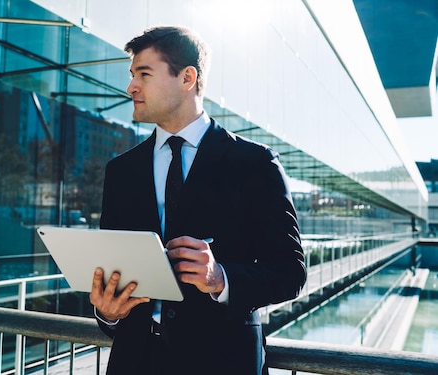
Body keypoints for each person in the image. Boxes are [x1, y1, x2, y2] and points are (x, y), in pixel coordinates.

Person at [89, 25, 306, 375]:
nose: (131, 87)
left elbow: (290, 271)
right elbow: (116, 272)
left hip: (222, 363)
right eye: (132, 75)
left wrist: (220, 277)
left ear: (187, 77)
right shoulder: (122, 171)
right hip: (134, 361)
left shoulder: (254, 162)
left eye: (143, 73)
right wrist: (108, 312)